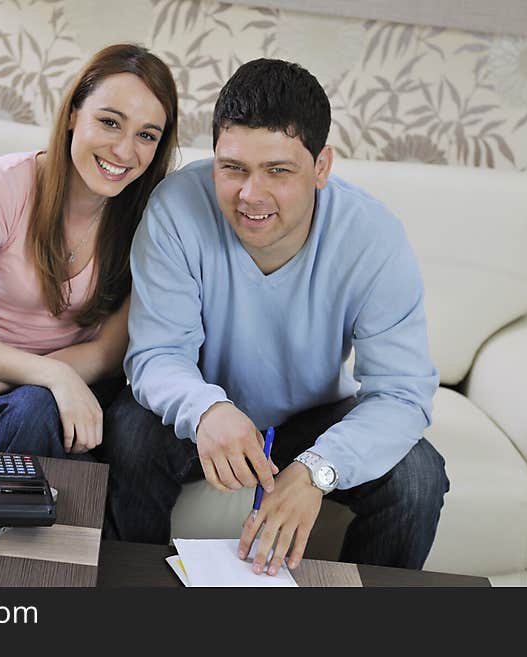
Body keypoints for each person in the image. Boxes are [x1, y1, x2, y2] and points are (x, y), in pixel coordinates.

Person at [100, 58, 449, 574]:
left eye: (279, 171)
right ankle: (135, 597)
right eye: (233, 167)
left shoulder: (373, 237)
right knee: (129, 433)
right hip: (206, 405)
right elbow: (156, 355)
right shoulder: (175, 208)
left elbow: (401, 393)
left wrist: (318, 469)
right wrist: (205, 410)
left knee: (418, 476)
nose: (250, 195)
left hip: (312, 420)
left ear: (322, 166)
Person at [0, 43, 178, 460]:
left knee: (134, 433)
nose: (124, 151)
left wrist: (51, 377)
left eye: (146, 135)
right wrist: (28, 378)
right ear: (73, 114)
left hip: (81, 376)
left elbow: (107, 353)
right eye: (110, 122)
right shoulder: (1, 185)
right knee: (35, 411)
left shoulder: (149, 216)